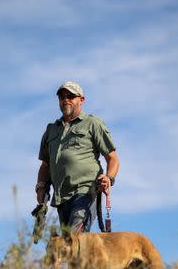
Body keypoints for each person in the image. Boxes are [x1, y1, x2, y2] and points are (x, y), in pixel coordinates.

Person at [36, 81, 119, 232]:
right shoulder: (51, 130)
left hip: (85, 192)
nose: (65, 99)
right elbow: (45, 166)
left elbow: (112, 158)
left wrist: (109, 178)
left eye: (70, 96)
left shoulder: (92, 123)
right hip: (61, 197)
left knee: (75, 240)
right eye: (61, 97)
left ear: (81, 99)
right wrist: (41, 187)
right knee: (68, 247)